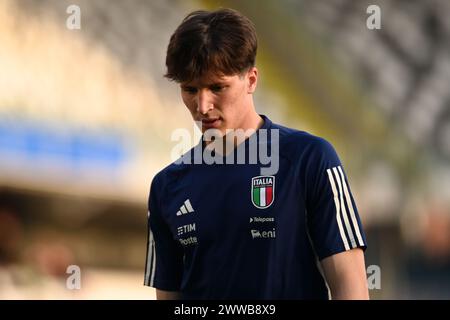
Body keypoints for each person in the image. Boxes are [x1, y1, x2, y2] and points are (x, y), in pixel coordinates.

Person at [144, 8, 369, 300]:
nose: (202, 105)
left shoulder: (310, 160)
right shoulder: (165, 187)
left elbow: (351, 290)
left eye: (217, 87)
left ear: (251, 80)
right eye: (190, 89)